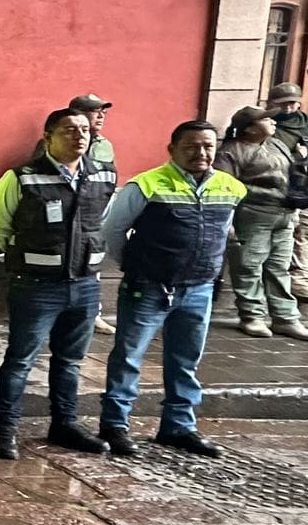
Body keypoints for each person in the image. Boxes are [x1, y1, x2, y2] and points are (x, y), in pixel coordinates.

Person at [96, 121, 247, 458]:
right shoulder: (146, 185)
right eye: (191, 146)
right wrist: (135, 264)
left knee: (186, 360)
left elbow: (225, 233)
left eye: (208, 146)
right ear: (172, 149)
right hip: (148, 288)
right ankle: (115, 425)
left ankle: (178, 427)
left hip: (199, 288)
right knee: (128, 357)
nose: (200, 153)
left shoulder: (231, 187)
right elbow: (112, 231)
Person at [0, 107, 117, 459]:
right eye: (69, 129)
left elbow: (102, 224)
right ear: (48, 138)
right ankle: (5, 430)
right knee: (20, 360)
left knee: (70, 361)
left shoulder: (103, 175)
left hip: (84, 285)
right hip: (35, 286)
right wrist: (27, 258)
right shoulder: (23, 177)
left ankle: (65, 424)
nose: (79, 135)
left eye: (84, 129)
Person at [215, 107, 308, 339]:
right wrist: (228, 222)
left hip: (284, 215)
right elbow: (223, 189)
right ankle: (252, 315)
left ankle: (285, 317)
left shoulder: (277, 145)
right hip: (252, 215)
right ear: (249, 128)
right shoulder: (231, 151)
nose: (273, 122)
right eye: (266, 119)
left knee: (279, 268)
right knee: (248, 266)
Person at [34, 94, 119, 334]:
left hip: (90, 214)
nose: (100, 116)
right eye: (94, 111)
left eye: (103, 112)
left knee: (90, 269)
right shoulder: (51, 142)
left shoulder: (104, 145)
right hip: (57, 218)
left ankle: (94, 315)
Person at [264, 82, 308, 302]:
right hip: (275, 187)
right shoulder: (265, 124)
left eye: (292, 103)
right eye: (283, 104)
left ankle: (299, 279)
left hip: (302, 186)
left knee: (302, 233)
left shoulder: (305, 123)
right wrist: (296, 156)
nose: (288, 108)